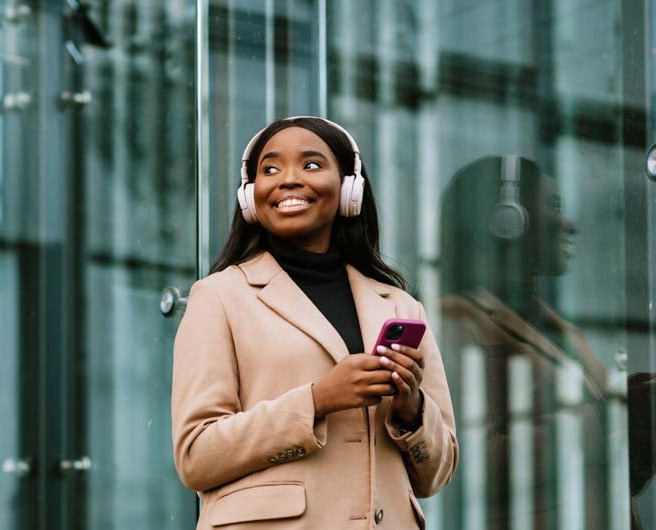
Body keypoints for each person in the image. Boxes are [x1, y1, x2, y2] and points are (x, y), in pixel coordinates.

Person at [171, 116, 458, 529]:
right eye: (270, 169)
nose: (288, 179)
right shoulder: (218, 297)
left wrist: (410, 409)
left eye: (310, 165)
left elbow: (435, 475)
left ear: (349, 190)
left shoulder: (400, 307)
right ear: (251, 197)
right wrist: (319, 399)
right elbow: (195, 456)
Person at [437, 155, 610, 529]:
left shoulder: (557, 326)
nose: (570, 225)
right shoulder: (455, 322)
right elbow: (456, 462)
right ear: (508, 219)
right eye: (554, 207)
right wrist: (602, 425)